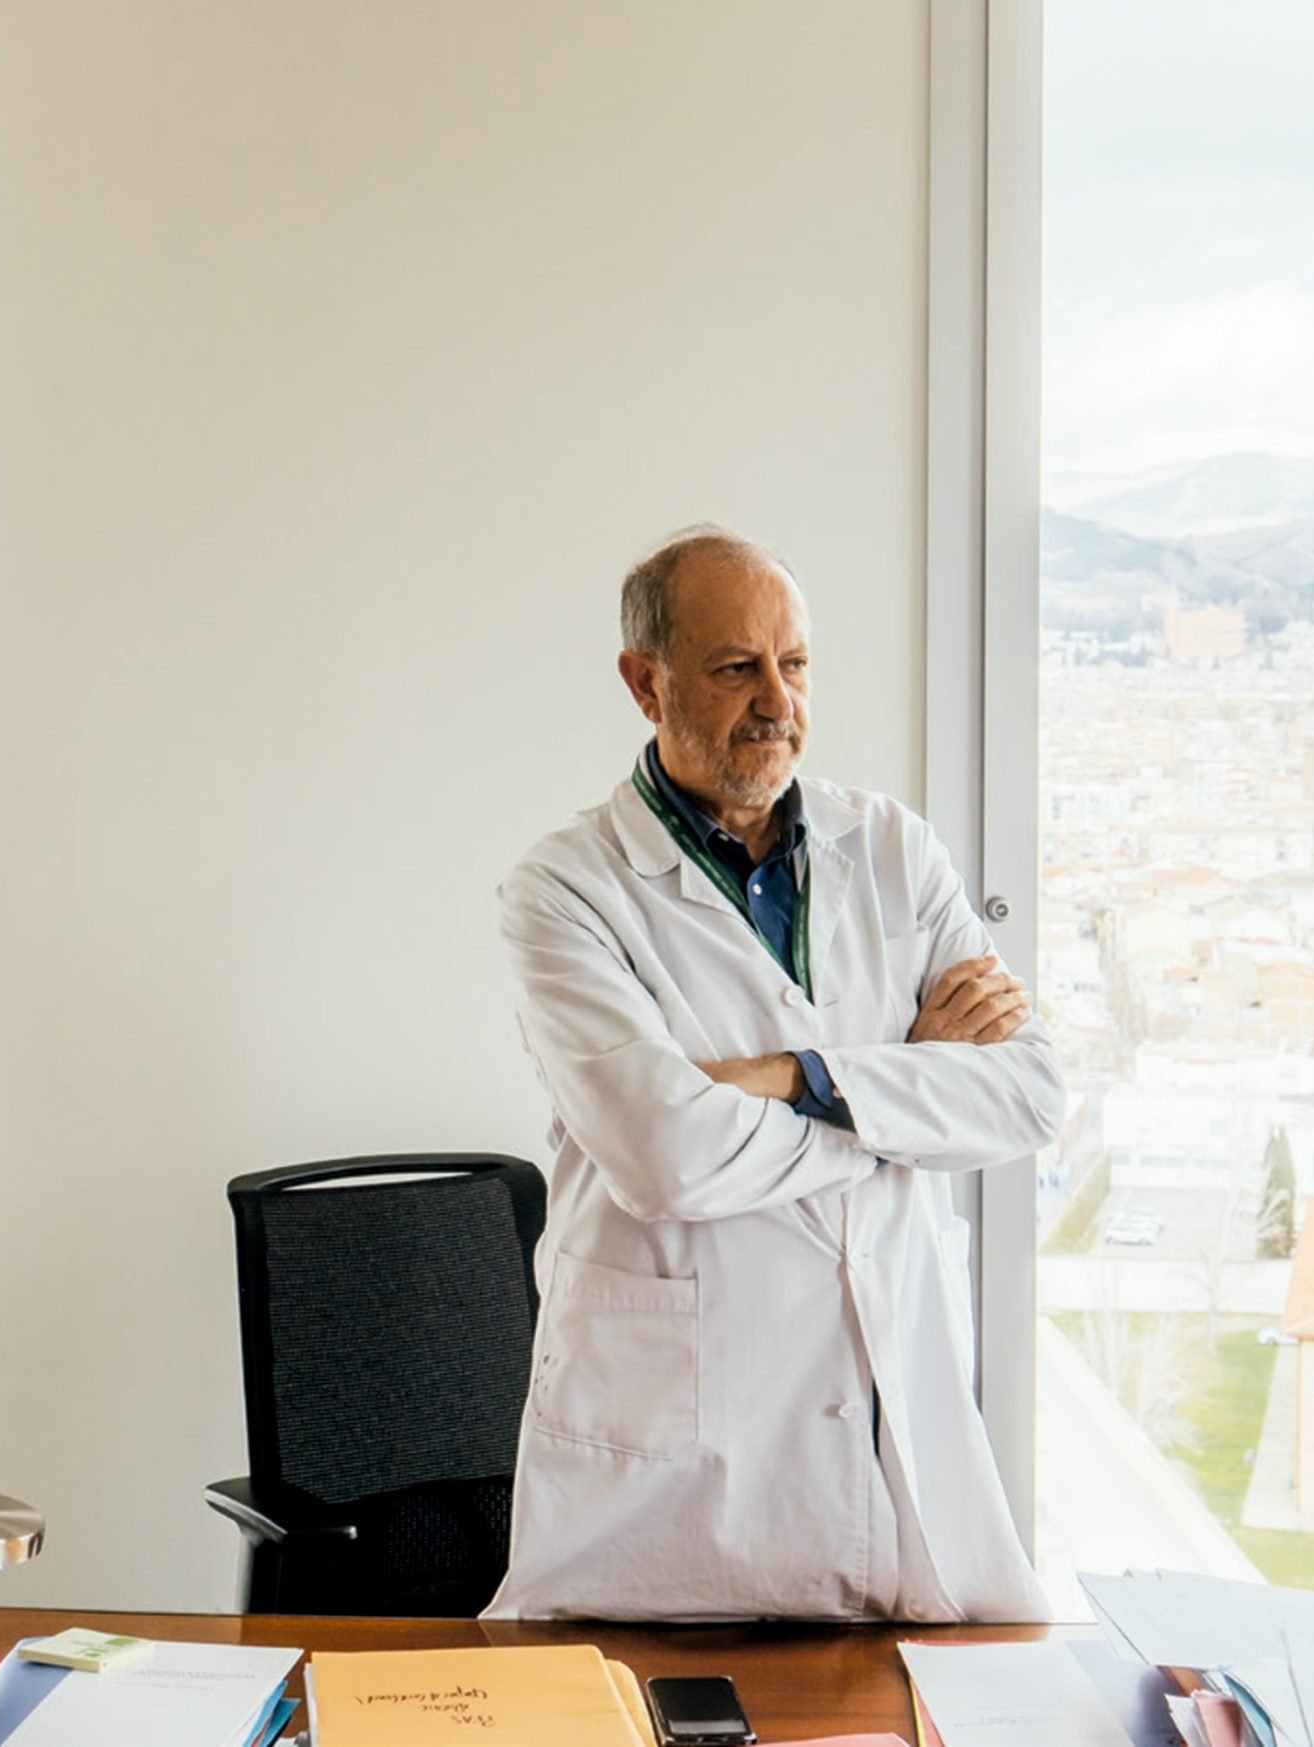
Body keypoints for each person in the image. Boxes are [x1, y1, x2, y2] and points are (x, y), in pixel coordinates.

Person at [483, 526, 1064, 1622]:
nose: (776, 701)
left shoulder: (891, 848)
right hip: (667, 1491)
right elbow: (666, 1157)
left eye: (794, 663)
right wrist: (906, 1088)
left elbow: (1029, 1094)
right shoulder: (563, 893)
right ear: (645, 684)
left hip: (894, 1444)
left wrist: (790, 1077)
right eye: (734, 667)